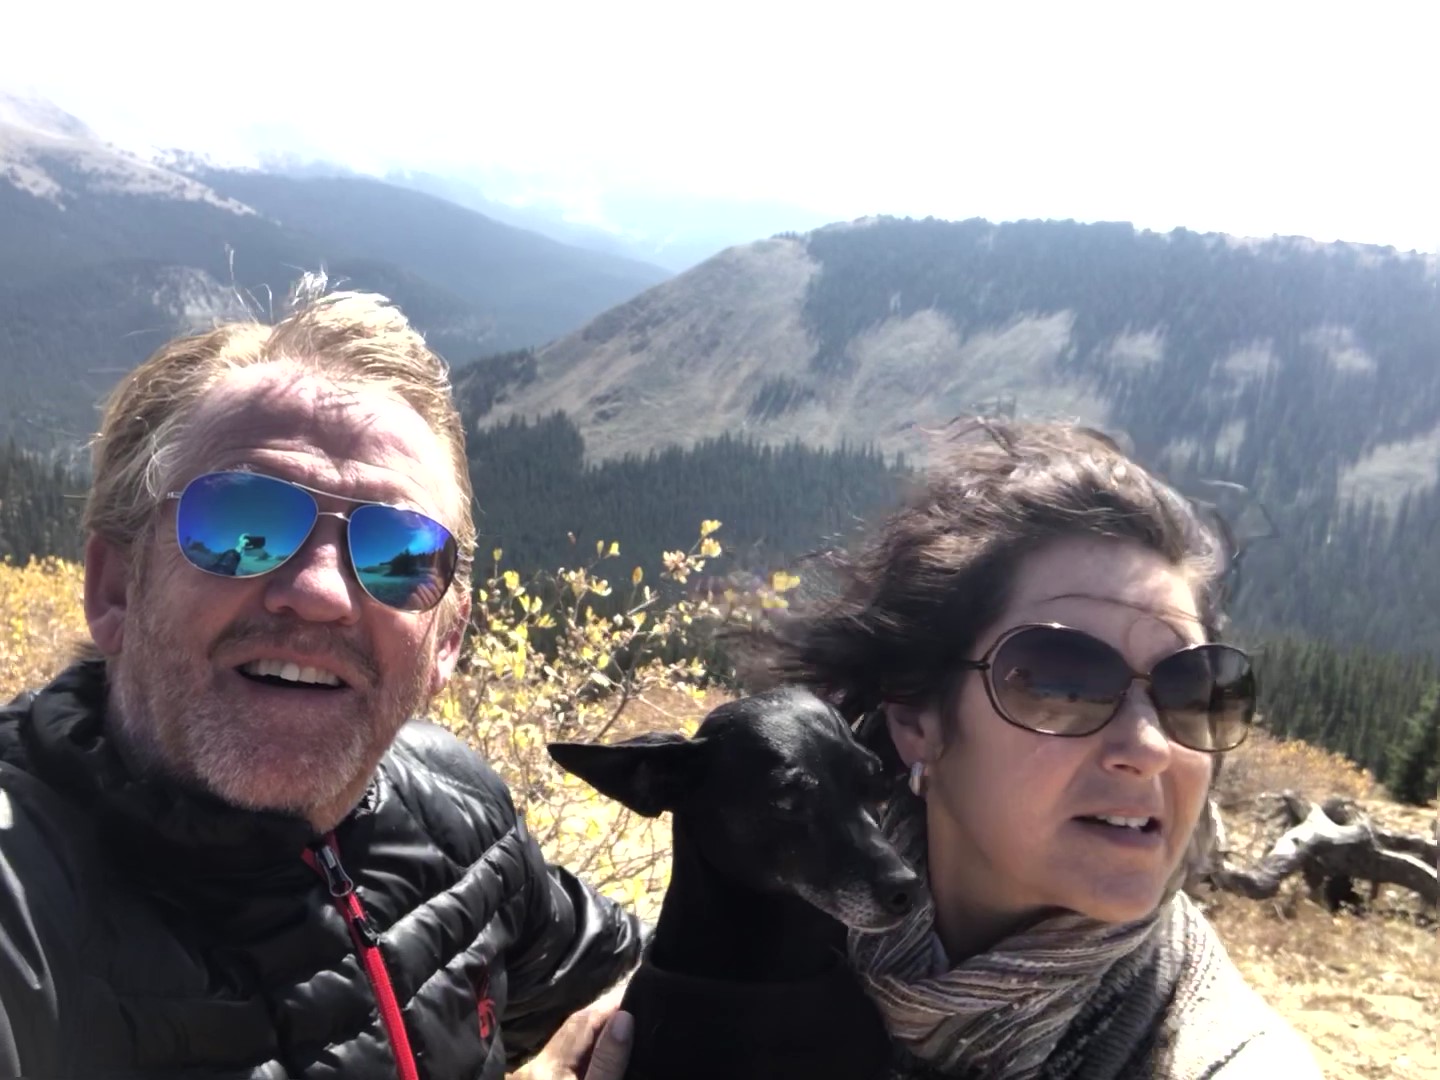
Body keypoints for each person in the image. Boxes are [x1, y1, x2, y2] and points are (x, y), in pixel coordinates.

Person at [0, 281, 642, 1079]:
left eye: (399, 554)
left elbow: (636, 973)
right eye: (242, 524)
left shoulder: (459, 816)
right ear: (115, 589)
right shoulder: (24, 905)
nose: (320, 593)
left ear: (446, 640)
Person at [745, 420, 1322, 1078]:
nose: (1150, 747)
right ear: (916, 719)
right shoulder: (760, 944)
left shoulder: (1228, 1059)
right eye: (1061, 682)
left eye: (1191, 690)